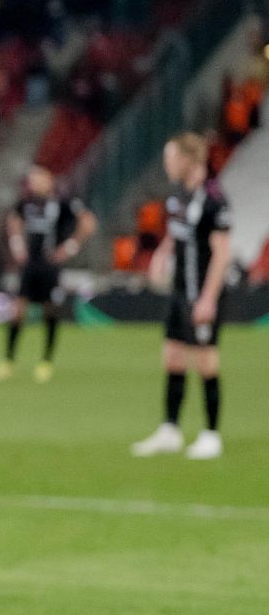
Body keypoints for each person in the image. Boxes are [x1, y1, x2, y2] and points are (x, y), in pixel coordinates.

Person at [132, 133, 230, 460]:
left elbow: (222, 253)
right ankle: (170, 430)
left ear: (189, 160)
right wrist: (161, 253)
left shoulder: (214, 199)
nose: (167, 164)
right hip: (178, 292)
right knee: (173, 357)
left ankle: (211, 434)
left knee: (205, 361)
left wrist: (208, 299)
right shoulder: (177, 196)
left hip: (202, 293)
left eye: (171, 158)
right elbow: (176, 235)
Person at [0, 165, 95, 382]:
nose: (34, 182)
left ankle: (46, 361)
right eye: (32, 178)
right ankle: (8, 360)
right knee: (18, 310)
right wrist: (17, 245)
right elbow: (13, 219)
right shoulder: (27, 202)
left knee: (50, 311)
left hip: (50, 265)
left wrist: (69, 248)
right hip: (30, 265)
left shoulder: (63, 202)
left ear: (49, 179)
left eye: (38, 177)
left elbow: (88, 222)